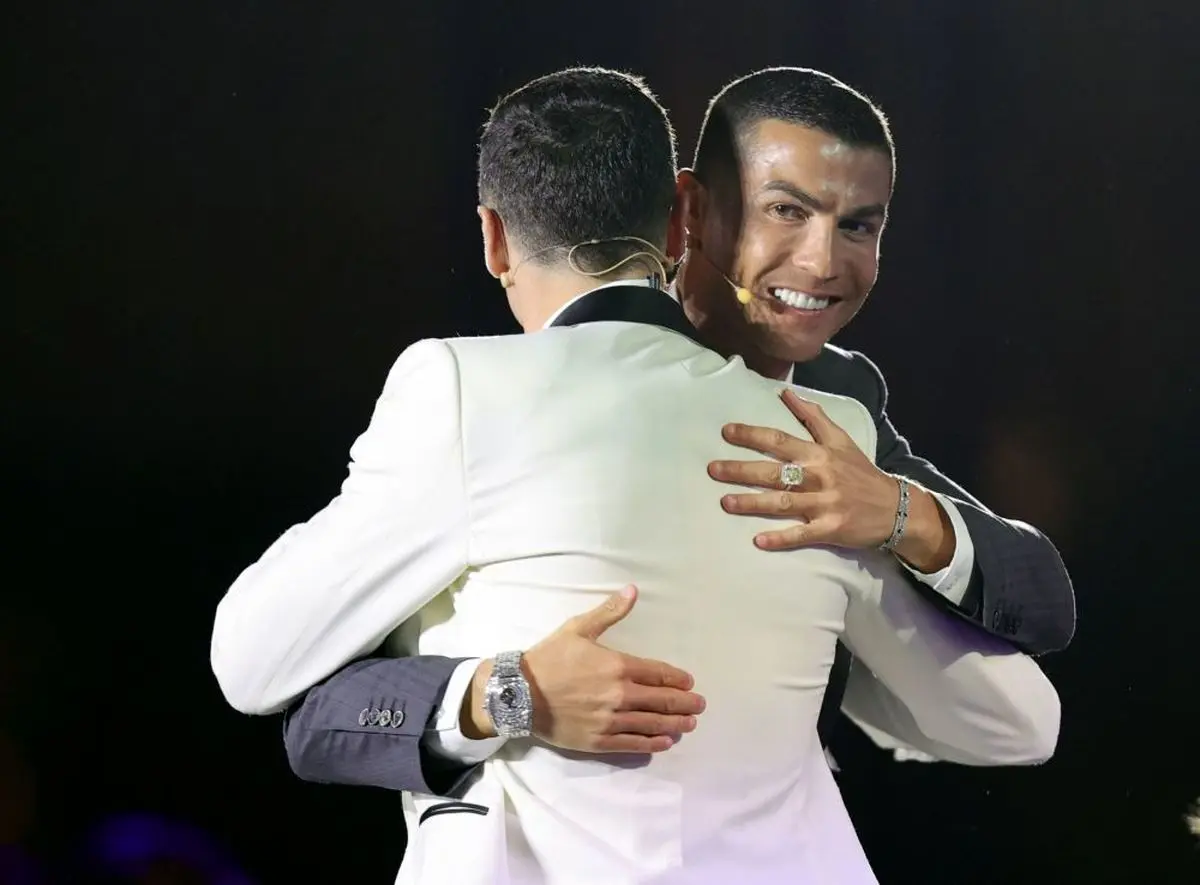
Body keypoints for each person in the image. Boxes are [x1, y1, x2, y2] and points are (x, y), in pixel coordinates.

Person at [210, 67, 1059, 884]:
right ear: (684, 220)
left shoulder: (466, 392)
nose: (819, 261)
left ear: (493, 239)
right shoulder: (819, 437)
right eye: (787, 211)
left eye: (857, 226)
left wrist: (501, 692)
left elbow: (251, 662)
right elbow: (1021, 719)